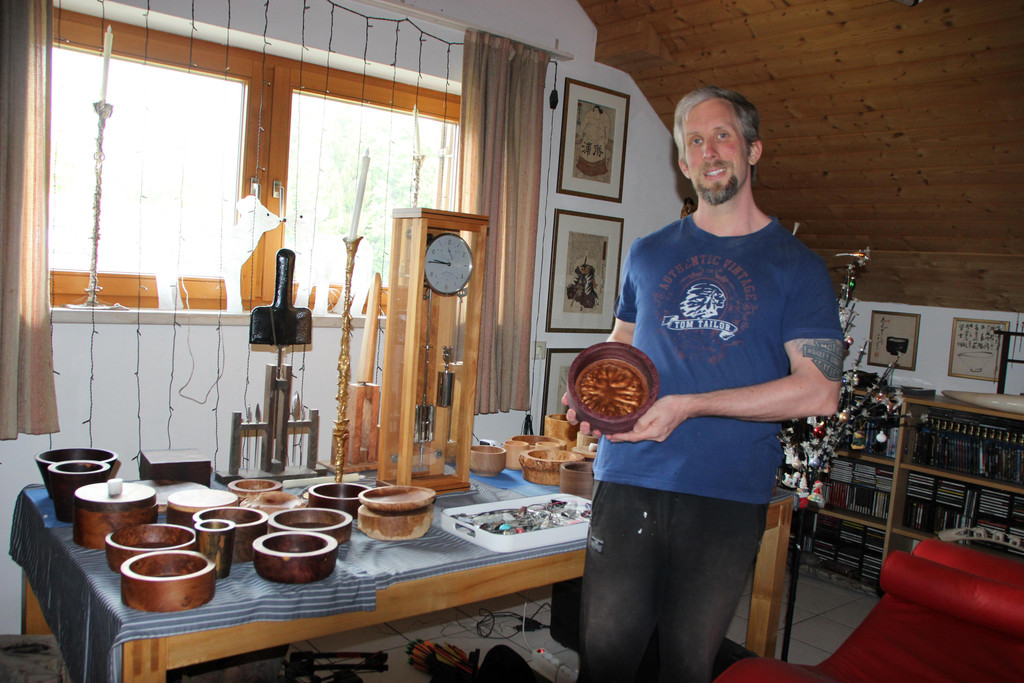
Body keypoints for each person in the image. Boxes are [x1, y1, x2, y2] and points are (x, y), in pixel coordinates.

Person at [566, 86, 844, 682]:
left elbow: (820, 390)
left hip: (726, 490)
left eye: (722, 136)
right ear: (683, 162)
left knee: (686, 667)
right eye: (695, 141)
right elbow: (623, 350)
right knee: (604, 662)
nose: (709, 151)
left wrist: (690, 406)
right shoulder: (647, 253)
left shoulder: (797, 266)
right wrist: (593, 393)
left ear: (752, 150)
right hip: (630, 476)